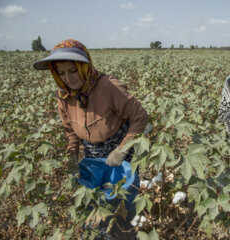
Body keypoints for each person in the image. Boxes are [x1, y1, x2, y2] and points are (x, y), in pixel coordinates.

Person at [34, 39, 148, 239]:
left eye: (73, 70)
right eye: (61, 73)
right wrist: (72, 155)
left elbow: (140, 117)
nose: (68, 78)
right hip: (92, 156)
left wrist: (121, 149)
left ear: (84, 66)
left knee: (123, 204)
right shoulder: (63, 96)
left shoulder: (108, 87)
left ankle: (125, 234)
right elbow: (69, 129)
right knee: (94, 205)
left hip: (122, 151)